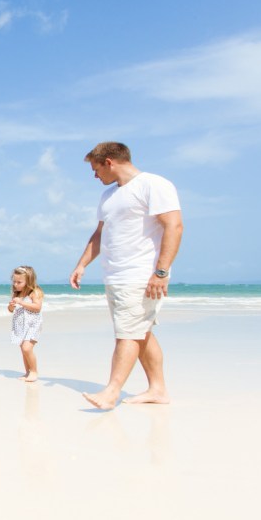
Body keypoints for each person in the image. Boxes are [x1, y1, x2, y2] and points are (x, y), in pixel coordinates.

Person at [69, 142, 183, 410]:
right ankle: (158, 389)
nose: (94, 176)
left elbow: (174, 226)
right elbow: (99, 234)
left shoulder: (153, 185)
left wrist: (161, 272)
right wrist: (82, 264)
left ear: (109, 162)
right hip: (116, 275)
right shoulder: (108, 196)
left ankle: (111, 392)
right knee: (140, 332)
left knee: (128, 334)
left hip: (140, 274)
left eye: (96, 169)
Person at [8, 265, 43, 382]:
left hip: (33, 325)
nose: (16, 284)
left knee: (27, 348)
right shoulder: (17, 293)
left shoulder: (35, 292)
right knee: (23, 349)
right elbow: (10, 310)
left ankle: (34, 371)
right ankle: (28, 372)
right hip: (21, 325)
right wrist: (11, 306)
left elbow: (37, 307)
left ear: (29, 281)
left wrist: (22, 303)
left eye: (19, 282)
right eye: (14, 282)